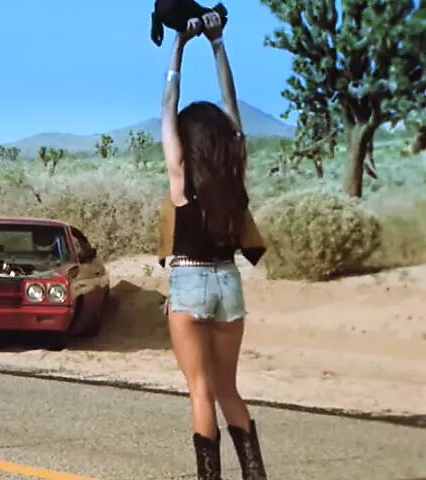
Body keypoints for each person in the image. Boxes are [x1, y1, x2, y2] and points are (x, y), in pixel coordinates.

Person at [160, 12, 268, 480]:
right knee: (228, 390)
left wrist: (179, 47)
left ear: (187, 141)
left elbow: (167, 107)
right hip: (228, 282)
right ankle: (255, 475)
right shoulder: (234, 168)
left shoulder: (182, 177)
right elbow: (232, 104)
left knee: (200, 392)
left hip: (188, 281)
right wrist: (217, 44)